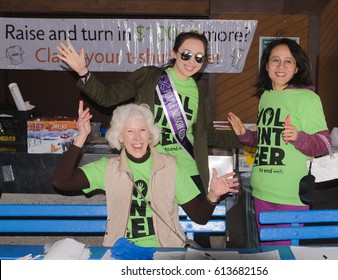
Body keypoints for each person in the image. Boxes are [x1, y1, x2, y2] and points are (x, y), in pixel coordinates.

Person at [56, 31, 242, 198]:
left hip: (188, 171)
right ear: (173, 54)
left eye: (199, 57)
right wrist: (83, 72)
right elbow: (107, 97)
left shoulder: (200, 93)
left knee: (198, 231)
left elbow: (207, 134)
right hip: (151, 169)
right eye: (186, 55)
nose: (192, 61)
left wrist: (246, 138)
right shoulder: (148, 77)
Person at [51, 101, 239, 247]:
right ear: (120, 137)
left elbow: (200, 217)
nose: (137, 137)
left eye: (142, 130)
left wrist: (213, 195)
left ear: (150, 134)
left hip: (166, 250)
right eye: (130, 131)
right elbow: (61, 181)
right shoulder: (107, 168)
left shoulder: (171, 166)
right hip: (121, 252)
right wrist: (81, 137)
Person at [227, 38, 331, 246]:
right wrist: (244, 135)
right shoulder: (266, 96)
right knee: (267, 254)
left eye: (288, 61)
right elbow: (266, 140)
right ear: (266, 66)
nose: (281, 66)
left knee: (284, 257)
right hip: (261, 188)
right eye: (275, 60)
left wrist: (298, 137)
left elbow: (324, 144)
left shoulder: (307, 98)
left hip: (290, 193)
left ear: (297, 67)